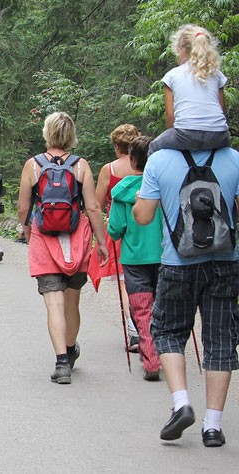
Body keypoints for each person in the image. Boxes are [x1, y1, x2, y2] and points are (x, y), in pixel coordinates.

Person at [134, 144, 239, 447]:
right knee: (220, 339)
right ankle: (213, 426)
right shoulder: (233, 159)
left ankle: (181, 404)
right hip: (226, 261)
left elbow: (143, 216)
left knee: (167, 331)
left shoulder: (160, 159)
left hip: (178, 262)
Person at [17, 112, 108, 385]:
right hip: (75, 239)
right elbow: (92, 207)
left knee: (53, 303)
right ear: (71, 136)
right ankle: (70, 350)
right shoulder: (81, 166)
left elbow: (24, 207)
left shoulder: (32, 166)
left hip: (45, 239)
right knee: (72, 300)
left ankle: (61, 364)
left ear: (47, 133)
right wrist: (101, 241)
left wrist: (27, 228)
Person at [106, 136, 162, 381]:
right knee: (163, 306)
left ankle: (151, 360)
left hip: (134, 258)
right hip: (165, 257)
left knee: (141, 309)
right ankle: (168, 352)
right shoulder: (165, 186)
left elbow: (115, 229)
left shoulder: (122, 192)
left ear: (132, 160)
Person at [95, 124, 142, 352]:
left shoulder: (109, 170)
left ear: (116, 145)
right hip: (146, 226)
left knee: (125, 282)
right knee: (147, 278)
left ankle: (134, 330)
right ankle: (148, 324)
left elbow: (96, 203)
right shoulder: (145, 167)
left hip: (119, 229)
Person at [149, 24, 231, 154]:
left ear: (180, 49)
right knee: (227, 146)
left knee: (154, 147)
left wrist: (173, 134)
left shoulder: (172, 75)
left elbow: (170, 116)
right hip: (218, 135)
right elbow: (221, 109)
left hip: (185, 134)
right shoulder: (216, 74)